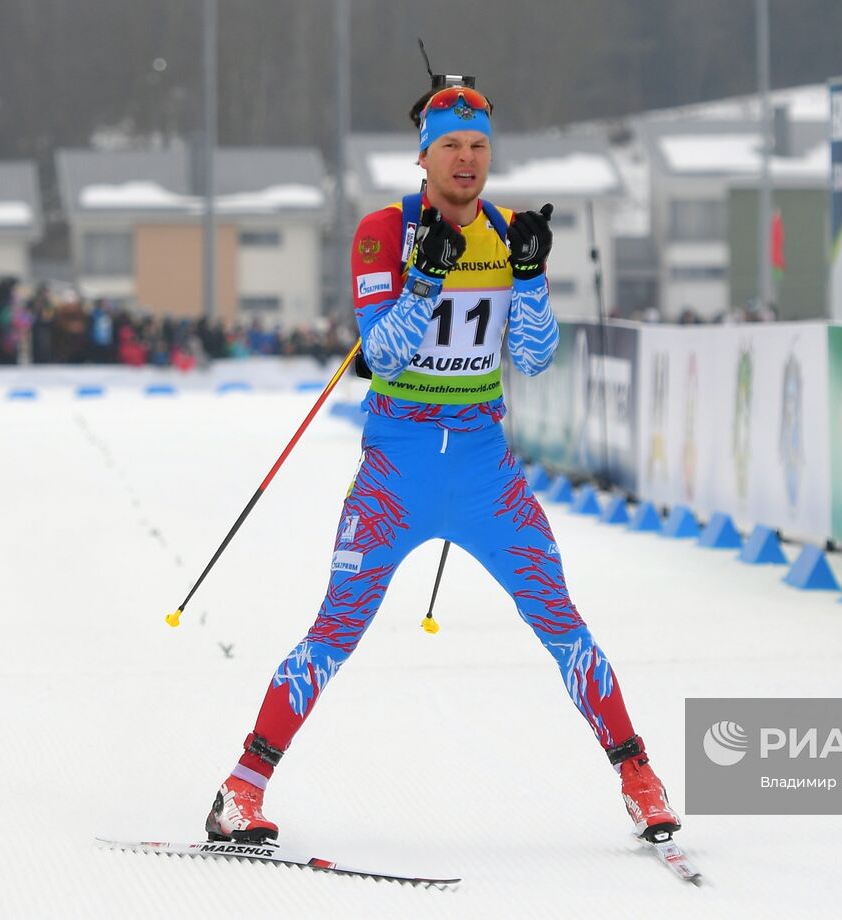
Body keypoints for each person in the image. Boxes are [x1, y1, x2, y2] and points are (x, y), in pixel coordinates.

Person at [206, 82, 681, 845]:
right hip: (398, 468)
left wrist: (528, 278)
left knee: (560, 620)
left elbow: (532, 355)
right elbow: (381, 355)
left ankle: (639, 778)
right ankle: (241, 789)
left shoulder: (505, 230)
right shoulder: (381, 232)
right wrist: (424, 277)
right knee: (336, 630)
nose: (467, 159)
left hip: (485, 469)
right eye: (452, 145)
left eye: (480, 146)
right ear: (423, 155)